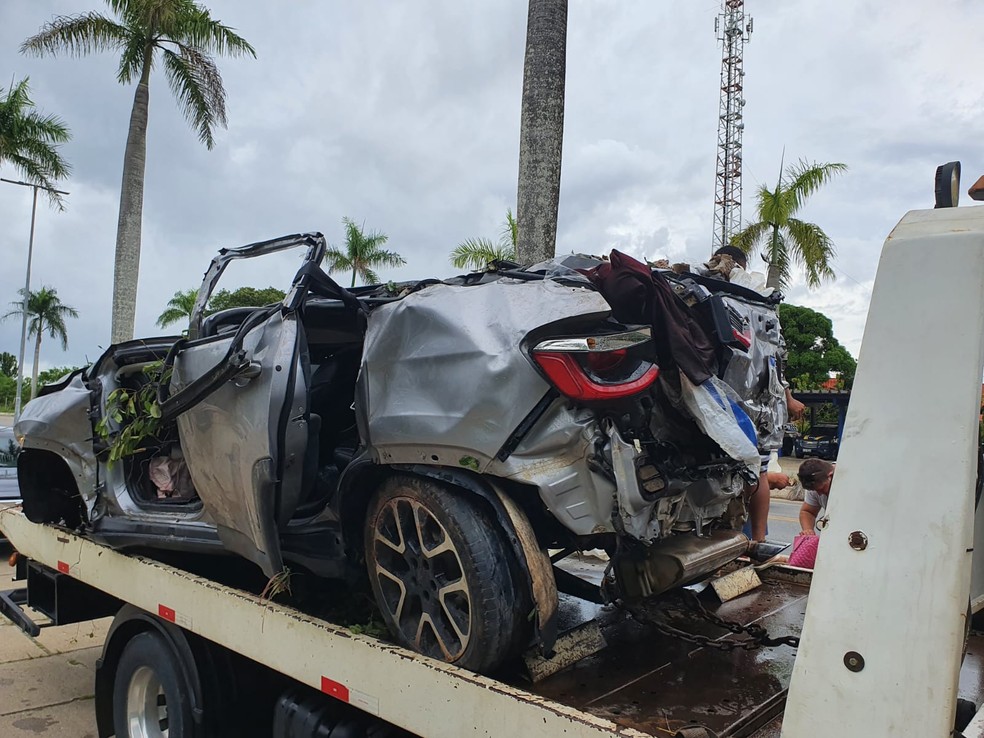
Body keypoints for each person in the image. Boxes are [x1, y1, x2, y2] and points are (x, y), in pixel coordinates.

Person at [797, 458, 835, 536]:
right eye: (815, 490)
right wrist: (808, 530)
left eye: (822, 489)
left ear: (830, 476)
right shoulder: (814, 485)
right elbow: (808, 512)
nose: (819, 494)